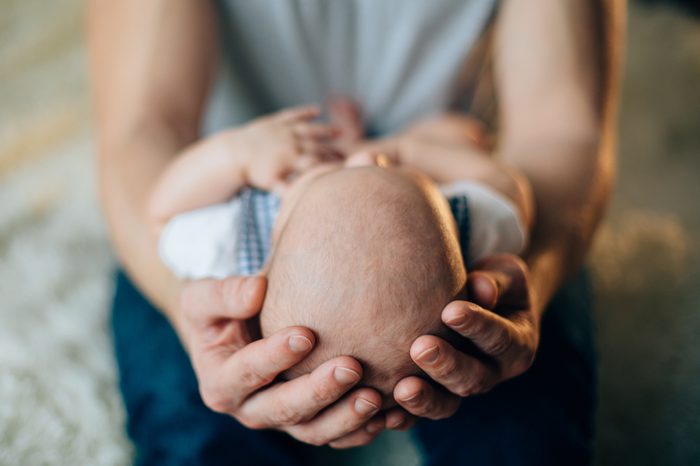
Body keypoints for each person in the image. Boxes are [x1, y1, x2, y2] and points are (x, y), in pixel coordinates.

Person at [89, 0, 622, 464]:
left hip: (234, 177)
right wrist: (417, 153)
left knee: (522, 437)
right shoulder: (470, 220)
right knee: (200, 437)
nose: (357, 160)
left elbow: (169, 210)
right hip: (261, 153)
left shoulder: (236, 234)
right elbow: (511, 198)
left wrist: (535, 280)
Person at [146, 104, 533, 402]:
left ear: (276, 242)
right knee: (458, 132)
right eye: (383, 172)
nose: (362, 158)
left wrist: (236, 154)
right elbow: (510, 189)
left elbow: (162, 211)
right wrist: (402, 149)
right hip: (411, 133)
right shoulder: (463, 230)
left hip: (287, 145)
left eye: (332, 174)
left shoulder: (240, 242)